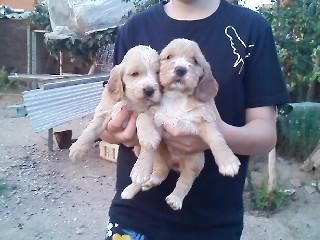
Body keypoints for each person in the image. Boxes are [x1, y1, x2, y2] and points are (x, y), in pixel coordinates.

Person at [101, 0, 289, 239]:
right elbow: (111, 109)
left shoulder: (252, 29)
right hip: (134, 217)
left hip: (212, 224)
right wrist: (114, 132)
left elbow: (266, 135)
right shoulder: (135, 27)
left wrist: (213, 134)